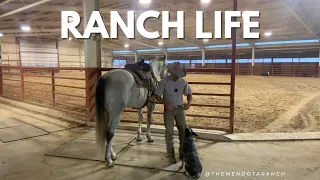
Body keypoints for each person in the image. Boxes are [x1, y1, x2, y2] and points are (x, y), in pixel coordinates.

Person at [154, 62, 193, 164]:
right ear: (172, 71)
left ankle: (182, 152)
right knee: (169, 132)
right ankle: (170, 154)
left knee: (183, 131)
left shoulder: (183, 82)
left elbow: (189, 93)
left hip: (180, 109)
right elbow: (157, 95)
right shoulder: (164, 81)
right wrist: (165, 104)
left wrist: (188, 103)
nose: (178, 75)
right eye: (177, 72)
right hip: (169, 110)